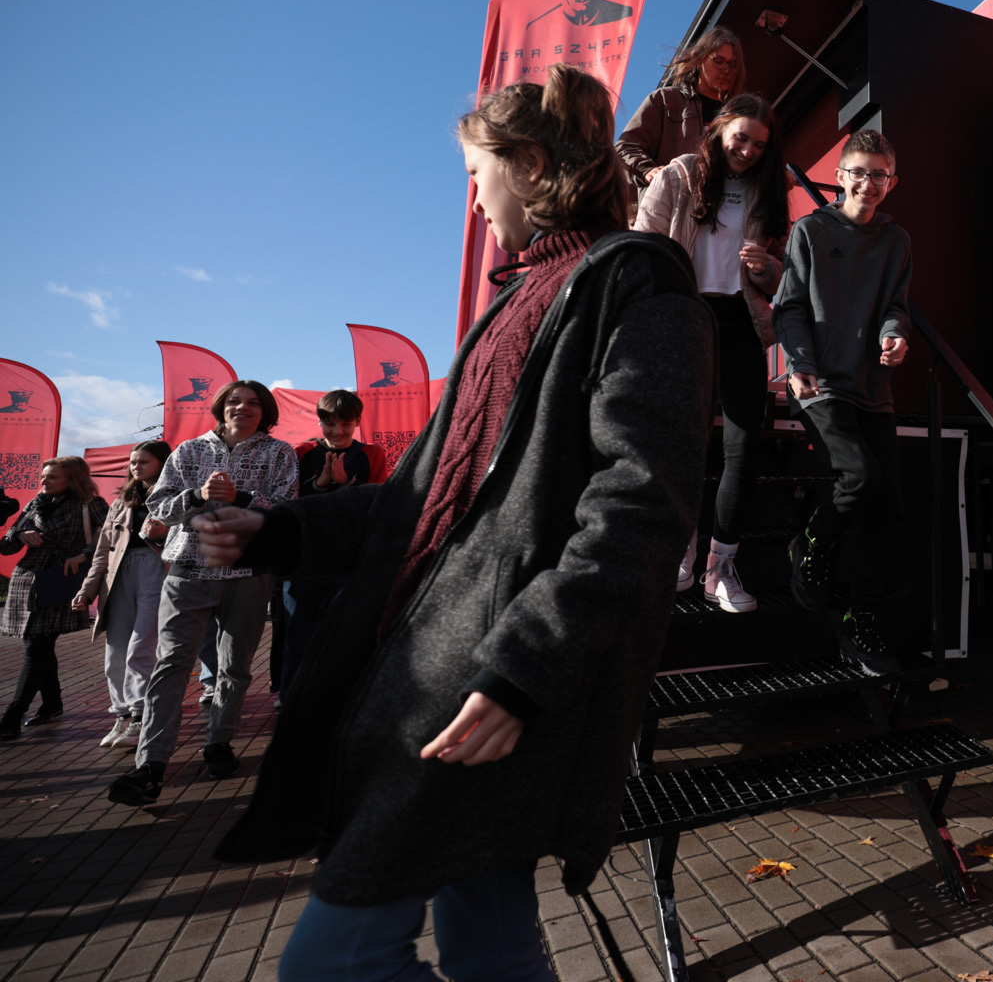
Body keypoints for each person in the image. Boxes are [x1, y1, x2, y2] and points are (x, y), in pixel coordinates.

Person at [181, 64, 710, 982]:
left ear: (530, 165)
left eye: (476, 174)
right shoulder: (512, 304)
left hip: (480, 686)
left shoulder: (636, 286)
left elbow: (639, 510)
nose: (472, 201)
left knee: (331, 966)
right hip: (452, 682)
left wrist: (523, 669)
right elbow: (418, 499)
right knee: (492, 946)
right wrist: (283, 531)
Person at [108, 381, 297, 800]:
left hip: (249, 572)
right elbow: (159, 506)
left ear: (265, 411)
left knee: (235, 665)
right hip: (188, 572)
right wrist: (197, 495)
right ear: (220, 407)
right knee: (171, 664)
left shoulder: (279, 452)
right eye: (234, 401)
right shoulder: (189, 451)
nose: (243, 408)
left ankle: (219, 742)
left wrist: (243, 497)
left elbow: (288, 508)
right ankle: (150, 764)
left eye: (253, 403)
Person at [637, 93, 789, 613]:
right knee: (685, 442)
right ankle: (680, 549)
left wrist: (766, 268)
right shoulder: (679, 175)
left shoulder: (768, 190)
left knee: (743, 447)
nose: (747, 151)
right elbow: (644, 248)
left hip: (741, 323)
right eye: (740, 138)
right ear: (719, 129)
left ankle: (720, 566)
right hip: (686, 318)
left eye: (759, 145)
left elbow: (780, 277)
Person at [772, 127, 912, 677]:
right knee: (859, 477)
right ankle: (808, 544)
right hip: (819, 383)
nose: (868, 184)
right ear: (840, 176)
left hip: (872, 389)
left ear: (891, 182)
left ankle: (861, 622)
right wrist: (800, 362)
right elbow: (789, 306)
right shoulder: (810, 230)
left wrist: (894, 334)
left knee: (889, 509)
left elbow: (896, 305)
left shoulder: (897, 241)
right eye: (859, 172)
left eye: (879, 175)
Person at [73, 440, 173, 750]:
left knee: (141, 648)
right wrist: (87, 589)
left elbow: (188, 540)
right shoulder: (122, 501)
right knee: (115, 652)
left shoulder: (174, 497)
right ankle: (123, 713)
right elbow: (103, 550)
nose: (135, 467)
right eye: (132, 462)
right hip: (118, 576)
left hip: (157, 570)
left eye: (143, 461)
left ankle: (141, 715)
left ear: (162, 463)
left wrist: (163, 535)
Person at [282, 390, 385, 690]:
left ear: (357, 422)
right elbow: (288, 500)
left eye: (346, 424)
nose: (338, 431)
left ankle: (340, 698)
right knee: (297, 634)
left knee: (347, 632)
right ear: (320, 422)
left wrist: (347, 482)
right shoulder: (301, 451)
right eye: (330, 424)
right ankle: (291, 698)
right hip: (305, 558)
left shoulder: (372, 454)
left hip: (350, 560)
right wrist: (320, 483)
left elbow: (379, 502)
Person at [0, 457, 109, 738]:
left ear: (72, 479)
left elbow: (112, 538)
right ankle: (51, 704)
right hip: (26, 579)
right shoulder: (36, 502)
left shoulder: (91, 504)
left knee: (38, 645)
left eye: (52, 477)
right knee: (38, 644)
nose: (44, 481)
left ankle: (13, 715)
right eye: (44, 476)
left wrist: (84, 555)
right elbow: (6, 546)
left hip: (60, 576)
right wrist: (21, 534)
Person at [614, 26, 744, 193]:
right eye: (718, 61)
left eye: (733, 64)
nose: (726, 69)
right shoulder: (665, 99)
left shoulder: (741, 115)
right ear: (700, 59)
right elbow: (625, 148)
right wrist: (647, 171)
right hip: (667, 202)